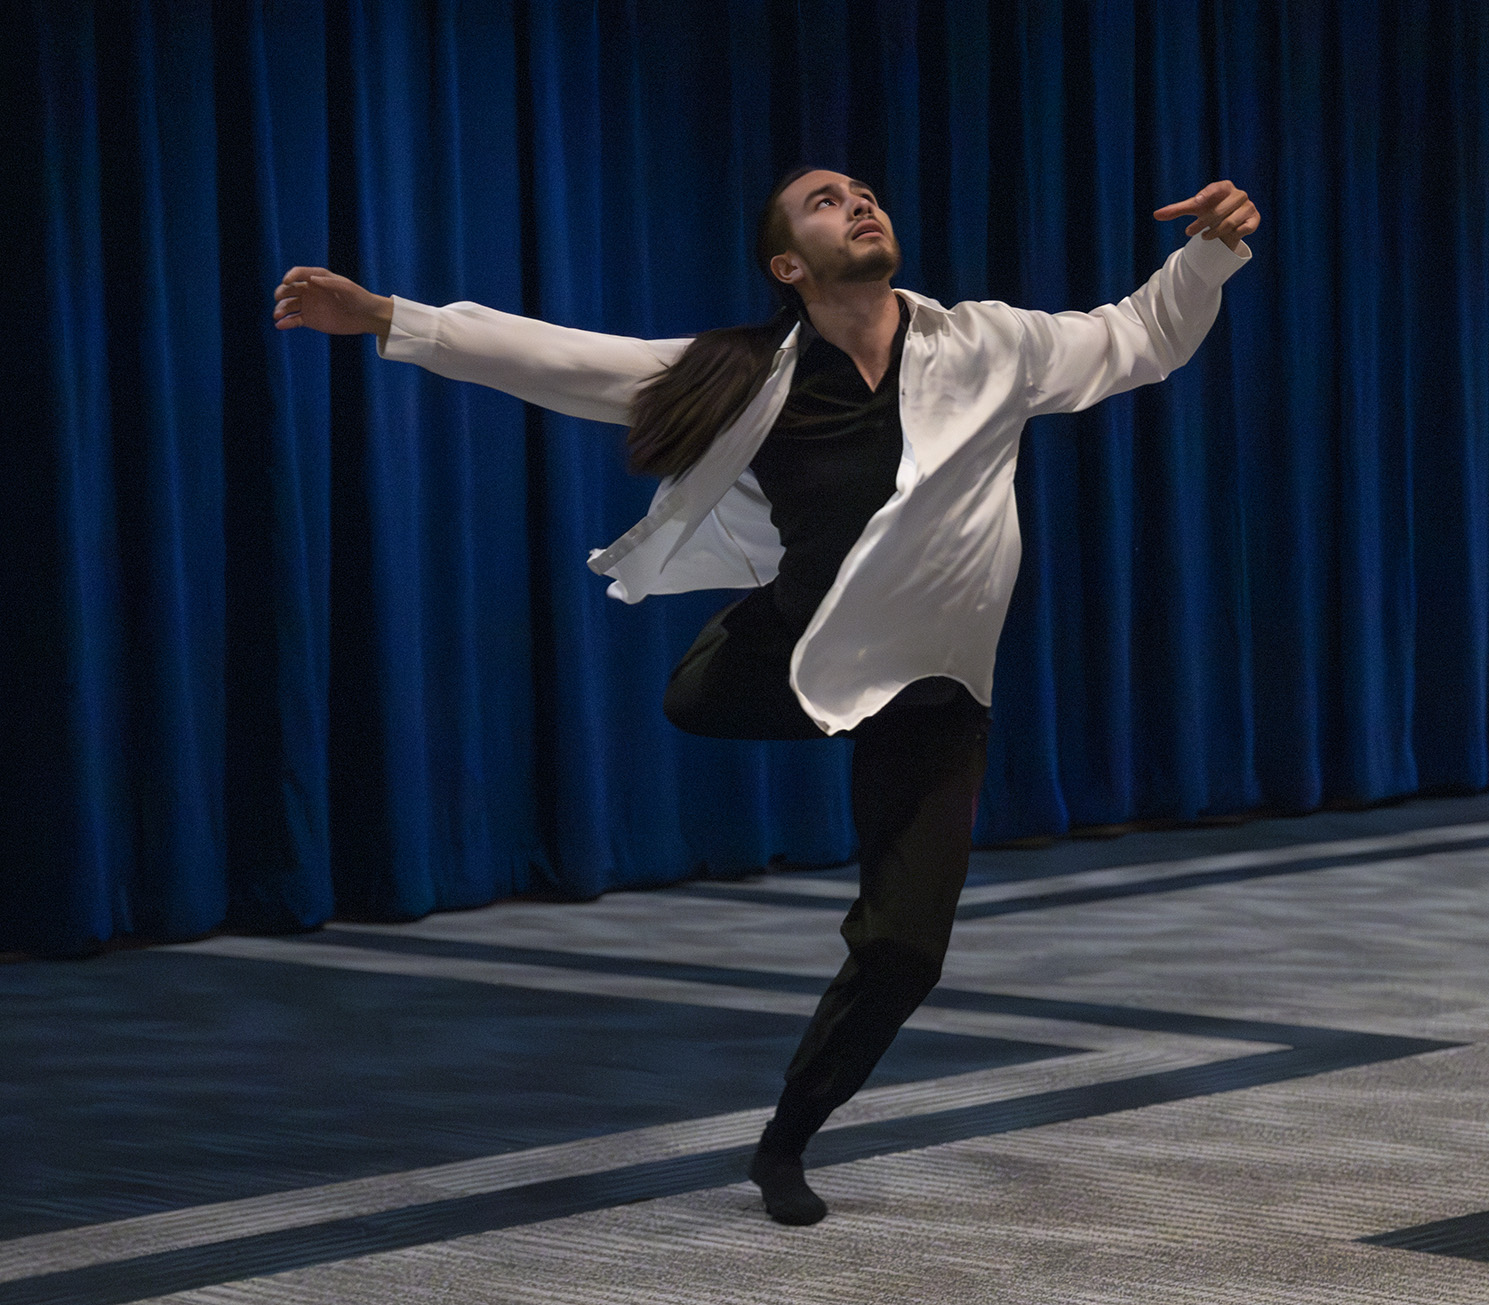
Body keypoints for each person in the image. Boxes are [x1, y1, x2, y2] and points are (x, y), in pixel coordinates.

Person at [273, 167, 1258, 1225]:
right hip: (793, 649)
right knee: (691, 699)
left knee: (901, 952)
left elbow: (1137, 339)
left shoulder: (991, 345)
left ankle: (785, 1142)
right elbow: (572, 361)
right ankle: (767, 646)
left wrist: (1208, 250)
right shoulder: (747, 374)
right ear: (788, 264)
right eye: (827, 200)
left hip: (931, 692)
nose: (861, 200)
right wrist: (388, 317)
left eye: (866, 191)